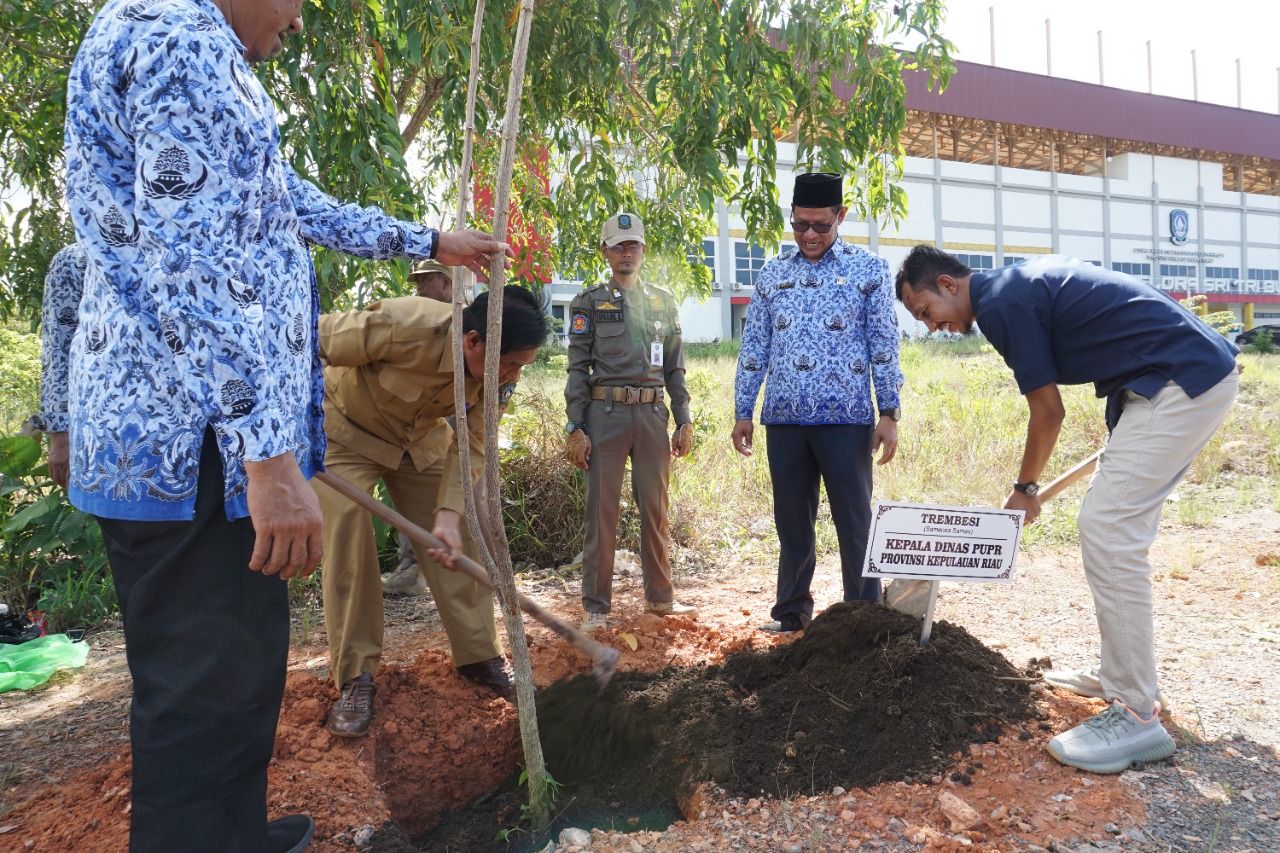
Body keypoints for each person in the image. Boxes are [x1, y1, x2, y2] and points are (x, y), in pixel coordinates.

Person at [62, 0, 509, 849]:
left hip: (188, 436)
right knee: (207, 684)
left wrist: (424, 238)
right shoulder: (183, 46)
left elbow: (277, 199)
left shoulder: (153, 28)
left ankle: (231, 830)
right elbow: (193, 266)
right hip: (198, 443)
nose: (298, 22)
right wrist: (267, 458)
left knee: (228, 670)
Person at [895, 246, 1240, 774]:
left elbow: (1048, 411)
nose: (930, 326)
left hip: (1179, 381)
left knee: (1107, 529)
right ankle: (1124, 675)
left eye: (925, 311)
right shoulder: (1013, 286)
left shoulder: (1001, 304)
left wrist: (1025, 488)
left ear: (947, 284)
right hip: (1172, 379)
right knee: (1115, 528)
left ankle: (1135, 713)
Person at [314, 287, 548, 735]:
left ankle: (479, 656)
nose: (514, 375)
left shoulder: (499, 374)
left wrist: (447, 513)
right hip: (346, 434)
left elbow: (474, 442)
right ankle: (356, 676)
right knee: (348, 529)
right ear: (473, 340)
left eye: (522, 366)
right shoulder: (404, 325)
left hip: (418, 441)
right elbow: (308, 338)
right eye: (511, 364)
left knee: (460, 531)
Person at [732, 172, 903, 634]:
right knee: (792, 522)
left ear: (840, 216)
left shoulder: (868, 271)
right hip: (784, 420)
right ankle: (791, 612)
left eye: (821, 225)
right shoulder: (773, 274)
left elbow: (884, 344)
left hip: (846, 421)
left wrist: (889, 412)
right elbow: (755, 347)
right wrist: (743, 410)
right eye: (800, 224)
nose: (809, 235)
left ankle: (862, 616)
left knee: (854, 520)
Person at [565, 212, 697, 632]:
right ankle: (596, 609)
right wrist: (575, 426)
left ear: (644, 250)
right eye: (618, 246)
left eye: (633, 245)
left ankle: (660, 599)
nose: (627, 253)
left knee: (655, 509)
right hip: (605, 416)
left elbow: (675, 368)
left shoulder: (662, 301)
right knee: (601, 514)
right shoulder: (588, 303)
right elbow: (577, 368)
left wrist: (684, 419)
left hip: (653, 416)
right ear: (605, 252)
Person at [380, 258, 456, 597]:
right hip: (417, 424)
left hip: (458, 423)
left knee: (462, 498)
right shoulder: (413, 319)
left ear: (448, 283)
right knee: (411, 497)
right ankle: (411, 568)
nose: (420, 287)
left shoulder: (470, 321)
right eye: (417, 282)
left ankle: (468, 569)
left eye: (427, 280)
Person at [31, 244, 86, 490]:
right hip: (103, 431)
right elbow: (58, 348)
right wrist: (61, 434)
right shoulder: (74, 259)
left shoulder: (188, 248)